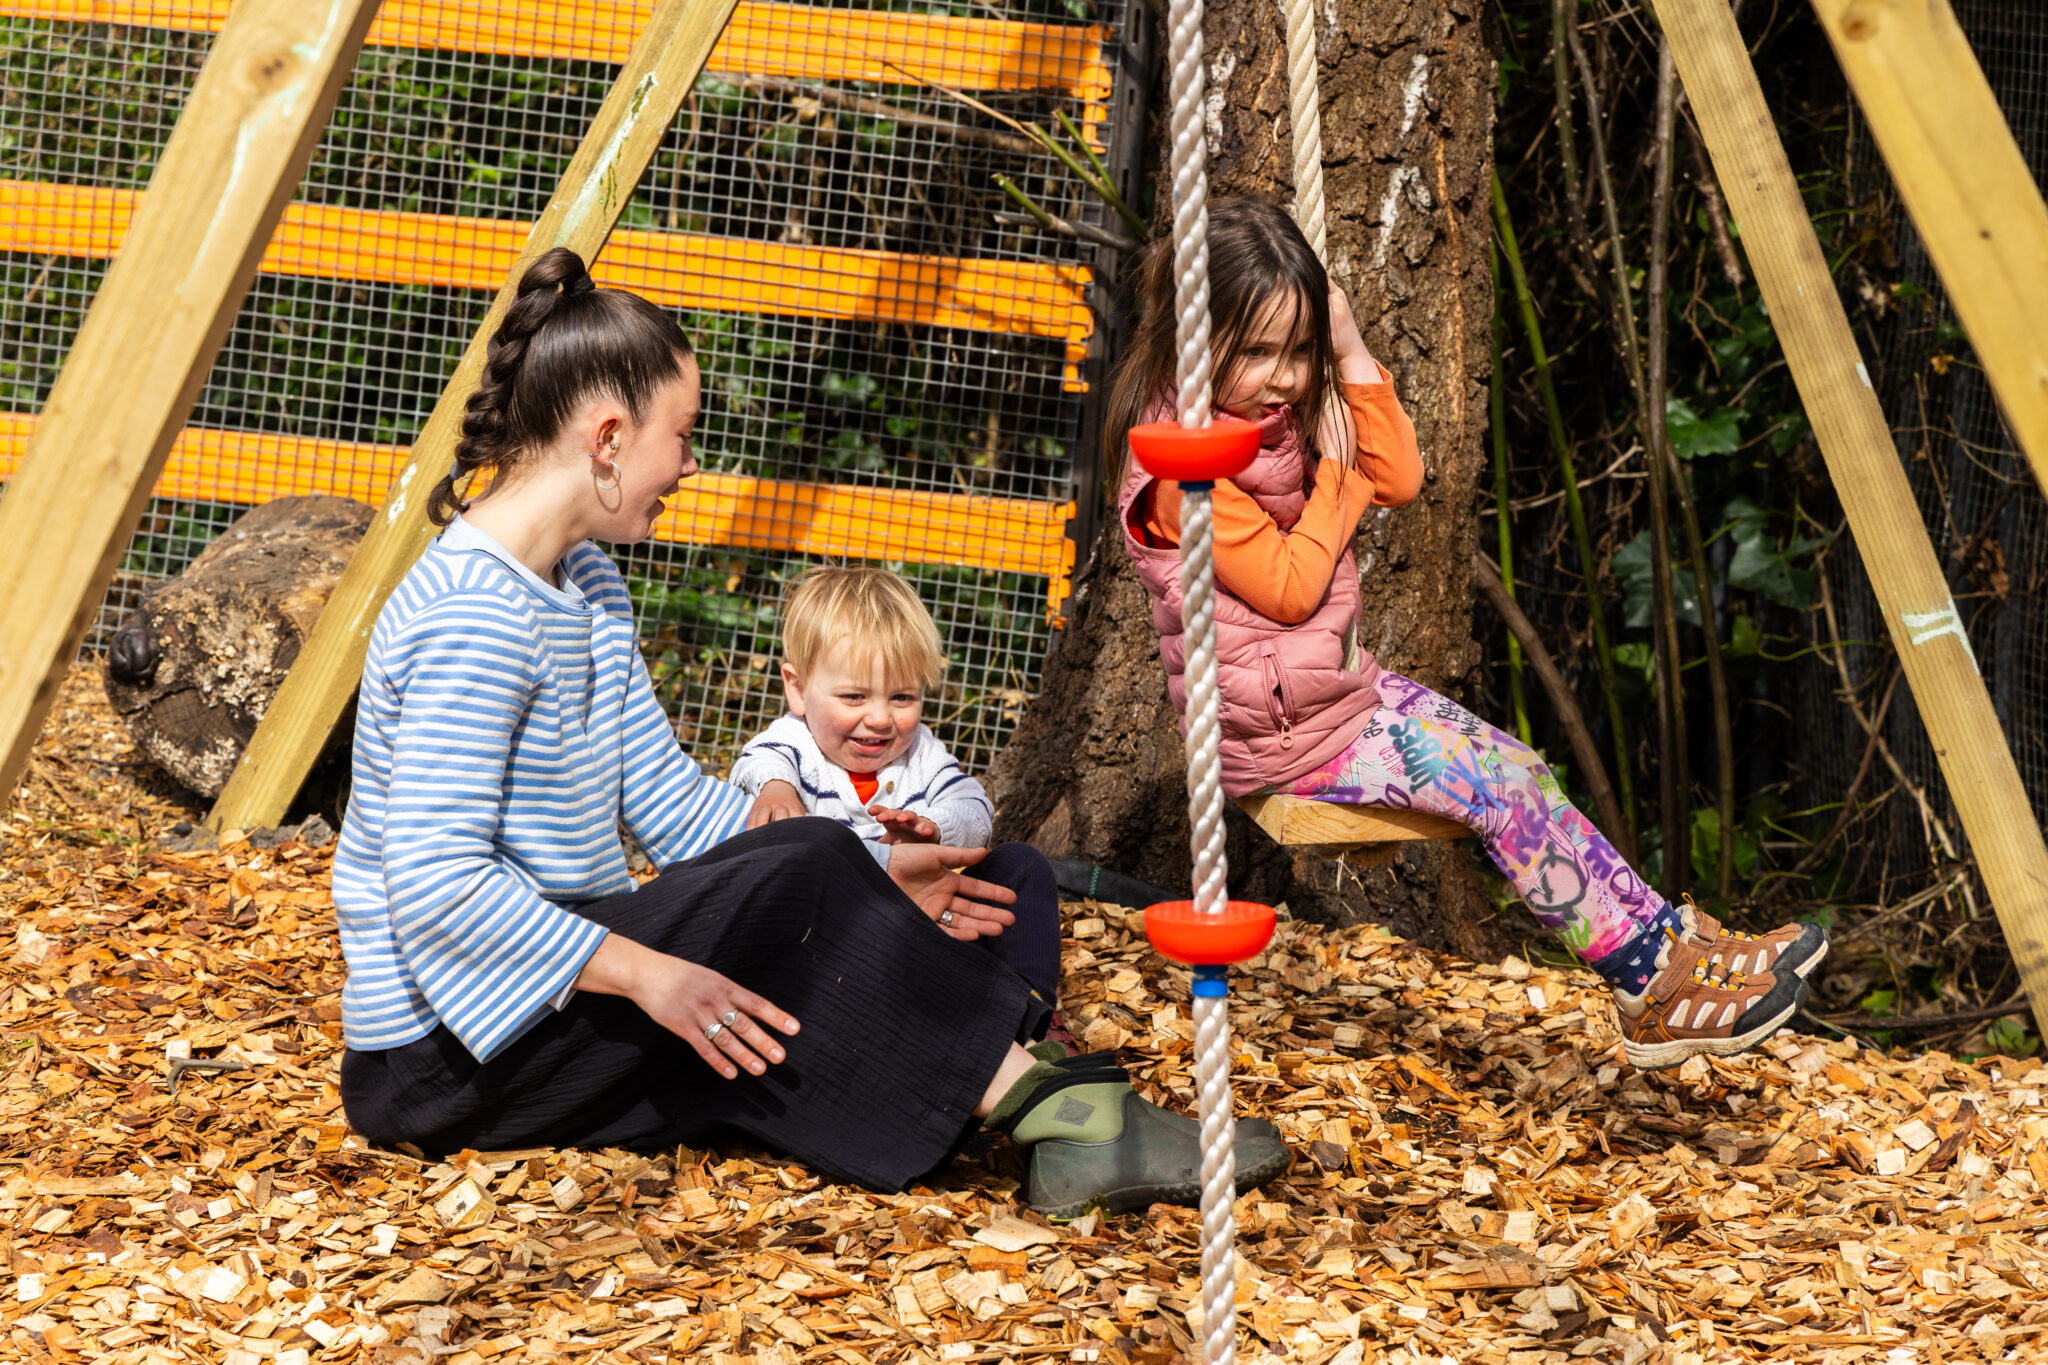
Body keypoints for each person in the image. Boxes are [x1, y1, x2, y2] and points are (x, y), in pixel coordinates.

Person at [329, 246, 1290, 1215]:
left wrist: (870, 866)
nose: (691, 465)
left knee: (926, 870)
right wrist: (658, 975)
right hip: (452, 1052)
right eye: (683, 435)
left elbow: (668, 806)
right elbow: (436, 888)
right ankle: (1067, 1115)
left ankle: (1038, 1106)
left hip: (563, 989)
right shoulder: (473, 615)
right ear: (609, 437)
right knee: (801, 873)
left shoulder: (583, 584)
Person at [1112, 200, 1827, 1070]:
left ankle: (1675, 945)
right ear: (1193, 336)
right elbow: (1293, 589)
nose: (1283, 378)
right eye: (1258, 352)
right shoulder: (1176, 472)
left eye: (1295, 352)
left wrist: (1348, 353)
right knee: (1501, 793)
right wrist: (1338, 472)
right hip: (1282, 737)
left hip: (1335, 696)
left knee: (1522, 772)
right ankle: (1649, 985)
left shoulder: (1270, 418)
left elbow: (1401, 477)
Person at [729, 565, 1062, 1007]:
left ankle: (1029, 1007)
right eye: (854, 697)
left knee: (1022, 864)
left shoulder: (920, 751)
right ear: (798, 689)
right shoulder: (795, 741)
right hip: (834, 943)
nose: (882, 718)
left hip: (927, 924)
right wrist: (777, 788)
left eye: (902, 697)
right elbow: (758, 760)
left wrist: (931, 827)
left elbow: (974, 806)